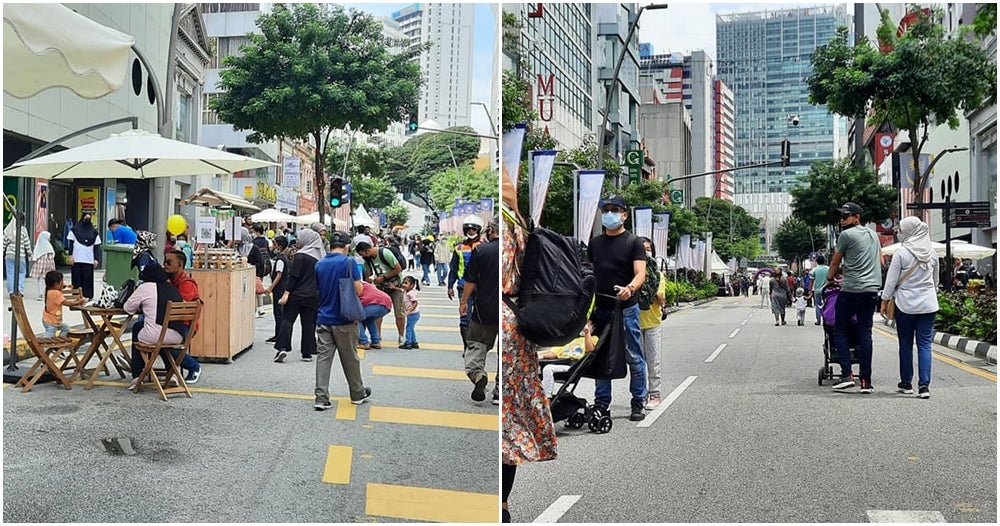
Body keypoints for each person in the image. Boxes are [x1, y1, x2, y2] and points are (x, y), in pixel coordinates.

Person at [500, 173, 555, 524]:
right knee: (511, 420)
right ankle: (502, 504)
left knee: (505, 423)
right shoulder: (519, 225)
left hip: (505, 327)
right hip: (518, 330)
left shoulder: (506, 228)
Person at [589, 194, 648, 422]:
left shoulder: (633, 242)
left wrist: (629, 289)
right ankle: (602, 403)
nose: (609, 214)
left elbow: (640, 273)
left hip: (626, 308)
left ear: (624, 215)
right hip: (601, 307)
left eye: (615, 210)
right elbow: (591, 274)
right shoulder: (595, 243)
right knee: (600, 355)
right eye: (606, 210)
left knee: (634, 354)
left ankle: (637, 402)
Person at [880, 216, 939, 399]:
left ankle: (906, 383)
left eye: (902, 230)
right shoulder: (932, 253)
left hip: (905, 304)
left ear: (910, 232)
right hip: (928, 304)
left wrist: (884, 300)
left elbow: (891, 281)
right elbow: (935, 282)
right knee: (925, 345)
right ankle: (924, 386)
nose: (899, 233)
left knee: (905, 344)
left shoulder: (901, 253)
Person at [313, 230, 371, 411]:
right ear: (346, 247)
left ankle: (321, 398)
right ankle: (357, 393)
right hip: (344, 318)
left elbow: (318, 289)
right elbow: (358, 290)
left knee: (323, 358)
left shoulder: (319, 264)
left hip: (323, 318)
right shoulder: (349, 262)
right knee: (350, 358)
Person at [828, 202, 882, 393]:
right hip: (871, 290)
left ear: (857, 217)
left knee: (840, 330)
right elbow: (880, 260)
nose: (841, 220)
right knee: (865, 333)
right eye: (840, 217)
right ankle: (866, 381)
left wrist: (829, 279)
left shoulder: (846, 235)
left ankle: (847, 374)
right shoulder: (874, 235)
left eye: (845, 216)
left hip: (851, 289)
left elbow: (835, 262)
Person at [123, 263, 186, 391]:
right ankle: (172, 374)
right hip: (178, 336)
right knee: (158, 337)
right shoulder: (172, 288)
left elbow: (128, 308)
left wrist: (142, 307)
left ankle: (137, 376)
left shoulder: (145, 287)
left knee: (137, 329)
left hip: (156, 335)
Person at [459, 217, 500, 403]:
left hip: (484, 308)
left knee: (476, 343)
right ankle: (500, 391)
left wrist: (463, 302)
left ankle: (477, 374)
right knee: (507, 352)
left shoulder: (481, 250)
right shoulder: (517, 250)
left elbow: (470, 280)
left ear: (490, 230)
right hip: (512, 311)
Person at [274, 229, 323, 363]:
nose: (298, 241)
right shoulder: (320, 258)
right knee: (308, 324)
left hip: (297, 294)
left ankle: (282, 347)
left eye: (301, 239)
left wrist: (286, 293)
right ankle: (307, 353)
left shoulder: (300, 256)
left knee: (287, 320)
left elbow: (294, 277)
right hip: (313, 296)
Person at [162, 250, 204, 383]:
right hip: (170, 323)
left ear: (180, 265)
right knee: (142, 327)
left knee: (165, 345)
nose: (165, 265)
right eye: (164, 261)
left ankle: (194, 366)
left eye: (169, 262)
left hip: (184, 324)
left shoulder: (187, 284)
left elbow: (178, 308)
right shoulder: (169, 280)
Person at [356, 238, 406, 346]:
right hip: (381, 286)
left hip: (396, 285)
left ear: (368, 251)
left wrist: (384, 277)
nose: (363, 257)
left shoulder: (384, 253)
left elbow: (398, 268)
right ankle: (377, 336)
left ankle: (401, 336)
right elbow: (367, 276)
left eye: (363, 254)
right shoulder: (367, 260)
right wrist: (371, 280)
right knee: (376, 312)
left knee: (399, 312)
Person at [448, 215, 486, 347]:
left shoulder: (484, 246)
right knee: (465, 318)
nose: (471, 231)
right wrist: (450, 286)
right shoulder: (458, 248)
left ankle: (479, 345)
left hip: (482, 288)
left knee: (482, 318)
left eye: (473, 229)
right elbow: (453, 268)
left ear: (479, 230)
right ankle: (467, 346)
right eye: (468, 229)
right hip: (463, 287)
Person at [638, 237, 667, 409]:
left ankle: (654, 394)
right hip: (634, 322)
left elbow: (661, 298)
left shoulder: (658, 274)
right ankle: (640, 394)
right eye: (642, 249)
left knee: (653, 360)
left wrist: (650, 283)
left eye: (648, 249)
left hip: (652, 322)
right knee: (637, 362)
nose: (646, 253)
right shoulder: (632, 274)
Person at [537, 322, 597, 397]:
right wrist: (540, 355)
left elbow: (590, 351)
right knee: (537, 367)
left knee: (548, 368)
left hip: (574, 365)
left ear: (593, 327)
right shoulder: (571, 340)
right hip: (562, 362)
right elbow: (554, 352)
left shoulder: (593, 338)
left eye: (586, 324)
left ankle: (547, 396)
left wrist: (587, 332)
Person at [66, 213, 101, 300]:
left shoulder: (94, 232)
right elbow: (71, 243)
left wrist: (96, 259)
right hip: (77, 258)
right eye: (86, 217)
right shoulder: (74, 230)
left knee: (88, 278)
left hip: (88, 259)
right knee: (76, 277)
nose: (87, 219)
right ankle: (76, 295)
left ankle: (87, 295)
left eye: (89, 218)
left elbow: (96, 247)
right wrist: (70, 255)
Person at [42, 271, 84, 337]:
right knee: (49, 337)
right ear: (56, 284)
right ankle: (45, 346)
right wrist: (78, 302)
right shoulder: (56, 293)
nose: (63, 284)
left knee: (66, 328)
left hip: (50, 320)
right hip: (52, 322)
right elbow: (66, 303)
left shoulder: (49, 290)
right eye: (61, 282)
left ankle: (60, 339)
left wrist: (66, 286)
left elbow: (60, 287)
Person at [264, 236, 289, 344]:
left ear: (279, 246)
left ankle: (279, 335)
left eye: (274, 244)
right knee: (279, 313)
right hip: (281, 288)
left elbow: (279, 275)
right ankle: (278, 334)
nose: (273, 246)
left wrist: (270, 287)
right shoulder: (283, 257)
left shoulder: (280, 259)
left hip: (279, 289)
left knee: (279, 313)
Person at [357, 281, 392, 350]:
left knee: (356, 318)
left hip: (375, 303)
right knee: (369, 319)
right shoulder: (366, 284)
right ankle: (376, 341)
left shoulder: (356, 285)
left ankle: (363, 342)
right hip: (386, 303)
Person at [30, 231, 56, 301]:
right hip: (48, 265)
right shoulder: (48, 246)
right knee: (47, 279)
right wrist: (53, 267)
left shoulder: (39, 245)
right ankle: (46, 293)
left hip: (40, 265)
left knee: (40, 279)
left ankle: (40, 293)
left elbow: (35, 255)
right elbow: (51, 256)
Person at [399, 276, 421, 349]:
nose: (403, 285)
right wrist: (393, 287)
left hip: (413, 314)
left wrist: (409, 311)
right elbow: (400, 289)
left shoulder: (411, 293)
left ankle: (408, 343)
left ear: (412, 285)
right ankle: (414, 342)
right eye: (403, 283)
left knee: (408, 328)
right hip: (411, 314)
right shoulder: (405, 291)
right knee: (411, 328)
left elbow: (415, 303)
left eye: (406, 283)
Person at [810, 256, 830, 325]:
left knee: (817, 306)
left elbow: (811, 281)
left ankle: (818, 321)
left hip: (817, 291)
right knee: (827, 305)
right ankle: (826, 320)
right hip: (827, 290)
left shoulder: (814, 270)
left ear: (817, 262)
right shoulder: (828, 269)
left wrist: (810, 290)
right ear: (824, 261)